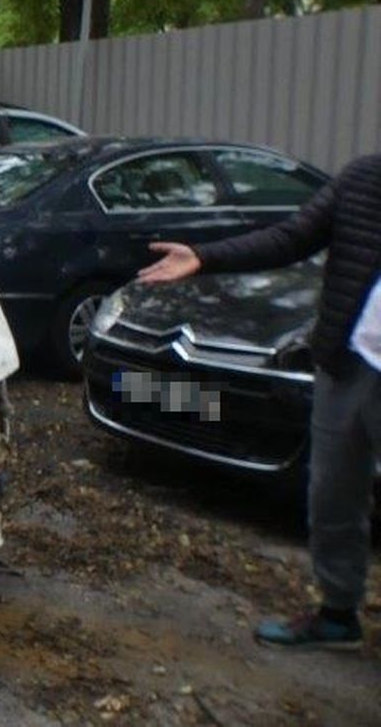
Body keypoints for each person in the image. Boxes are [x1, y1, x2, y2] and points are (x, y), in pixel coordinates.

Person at [139, 152, 381, 651]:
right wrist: (205, 256)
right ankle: (338, 614)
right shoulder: (362, 178)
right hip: (349, 360)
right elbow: (292, 237)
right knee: (332, 494)